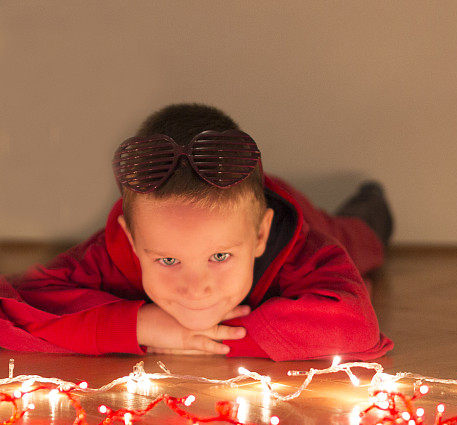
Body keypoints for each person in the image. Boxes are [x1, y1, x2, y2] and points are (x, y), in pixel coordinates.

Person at [8, 103, 394, 360]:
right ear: (131, 239)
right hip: (242, 208)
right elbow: (20, 304)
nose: (195, 288)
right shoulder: (111, 249)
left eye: (220, 256)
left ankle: (372, 200)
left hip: (292, 209)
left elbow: (355, 326)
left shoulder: (301, 245)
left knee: (362, 240)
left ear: (260, 236)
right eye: (168, 259)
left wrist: (210, 339)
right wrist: (143, 325)